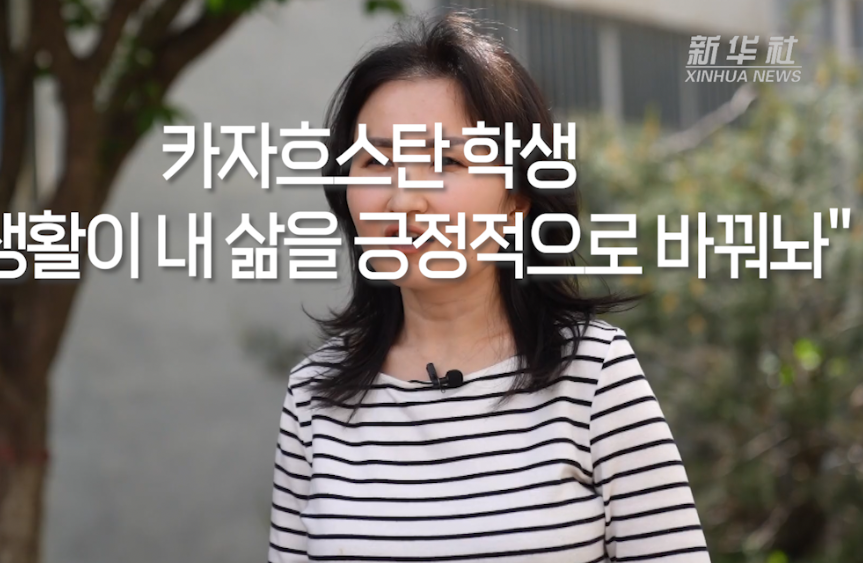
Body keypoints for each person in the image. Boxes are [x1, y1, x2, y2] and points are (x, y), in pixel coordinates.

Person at [267, 11, 711, 563]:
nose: (404, 200)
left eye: (446, 160)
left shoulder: (594, 374)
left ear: (517, 199)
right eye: (376, 160)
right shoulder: (313, 396)